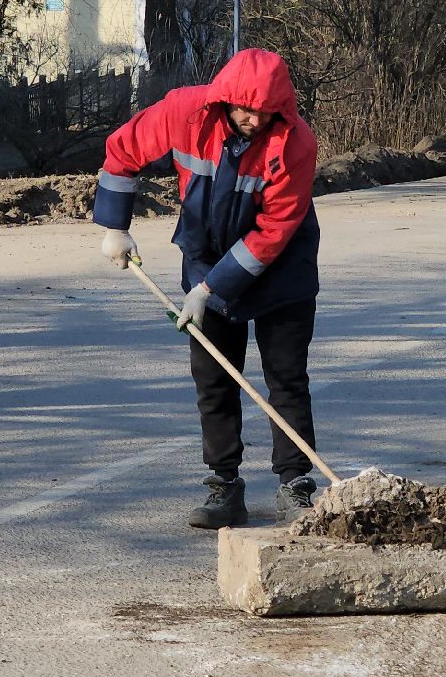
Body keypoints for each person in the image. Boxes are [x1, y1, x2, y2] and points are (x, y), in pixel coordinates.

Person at [93, 49, 322, 530]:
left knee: (286, 379)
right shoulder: (184, 112)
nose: (251, 118)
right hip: (205, 254)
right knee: (215, 380)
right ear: (223, 100)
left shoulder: (296, 143)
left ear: (281, 108)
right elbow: (122, 150)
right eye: (242, 108)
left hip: (282, 267)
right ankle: (224, 486)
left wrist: (210, 289)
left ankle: (296, 485)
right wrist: (115, 225)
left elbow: (273, 231)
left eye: (263, 111)